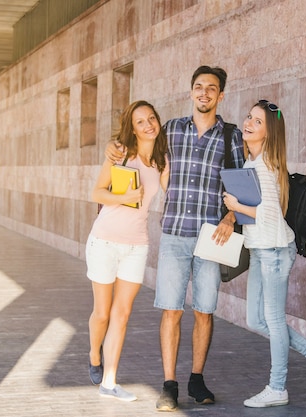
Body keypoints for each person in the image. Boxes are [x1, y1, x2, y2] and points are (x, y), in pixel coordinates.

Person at [106, 66, 245, 411]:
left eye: (211, 89)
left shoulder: (231, 137)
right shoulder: (171, 130)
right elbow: (137, 145)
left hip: (211, 237)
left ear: (220, 96)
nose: (204, 93)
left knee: (204, 311)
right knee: (171, 310)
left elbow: (241, 190)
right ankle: (169, 385)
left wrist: (231, 217)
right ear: (191, 91)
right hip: (174, 235)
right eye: (198, 87)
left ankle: (197, 379)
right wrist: (115, 145)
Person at [222, 100, 306, 408]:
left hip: (273, 251)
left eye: (258, 122)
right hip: (262, 250)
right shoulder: (251, 163)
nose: (248, 123)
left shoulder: (265, 165)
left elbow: (269, 215)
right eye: (249, 117)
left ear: (269, 134)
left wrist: (236, 207)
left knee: (271, 318)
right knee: (257, 319)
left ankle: (277, 386)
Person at [87, 100, 169, 402]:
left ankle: (109, 381)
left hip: (136, 245)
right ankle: (93, 352)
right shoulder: (120, 154)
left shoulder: (161, 162)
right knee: (102, 313)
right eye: (140, 122)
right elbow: (96, 193)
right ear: (132, 130)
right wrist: (123, 197)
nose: (148, 125)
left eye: (151, 118)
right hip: (104, 241)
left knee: (122, 314)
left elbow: (171, 189)